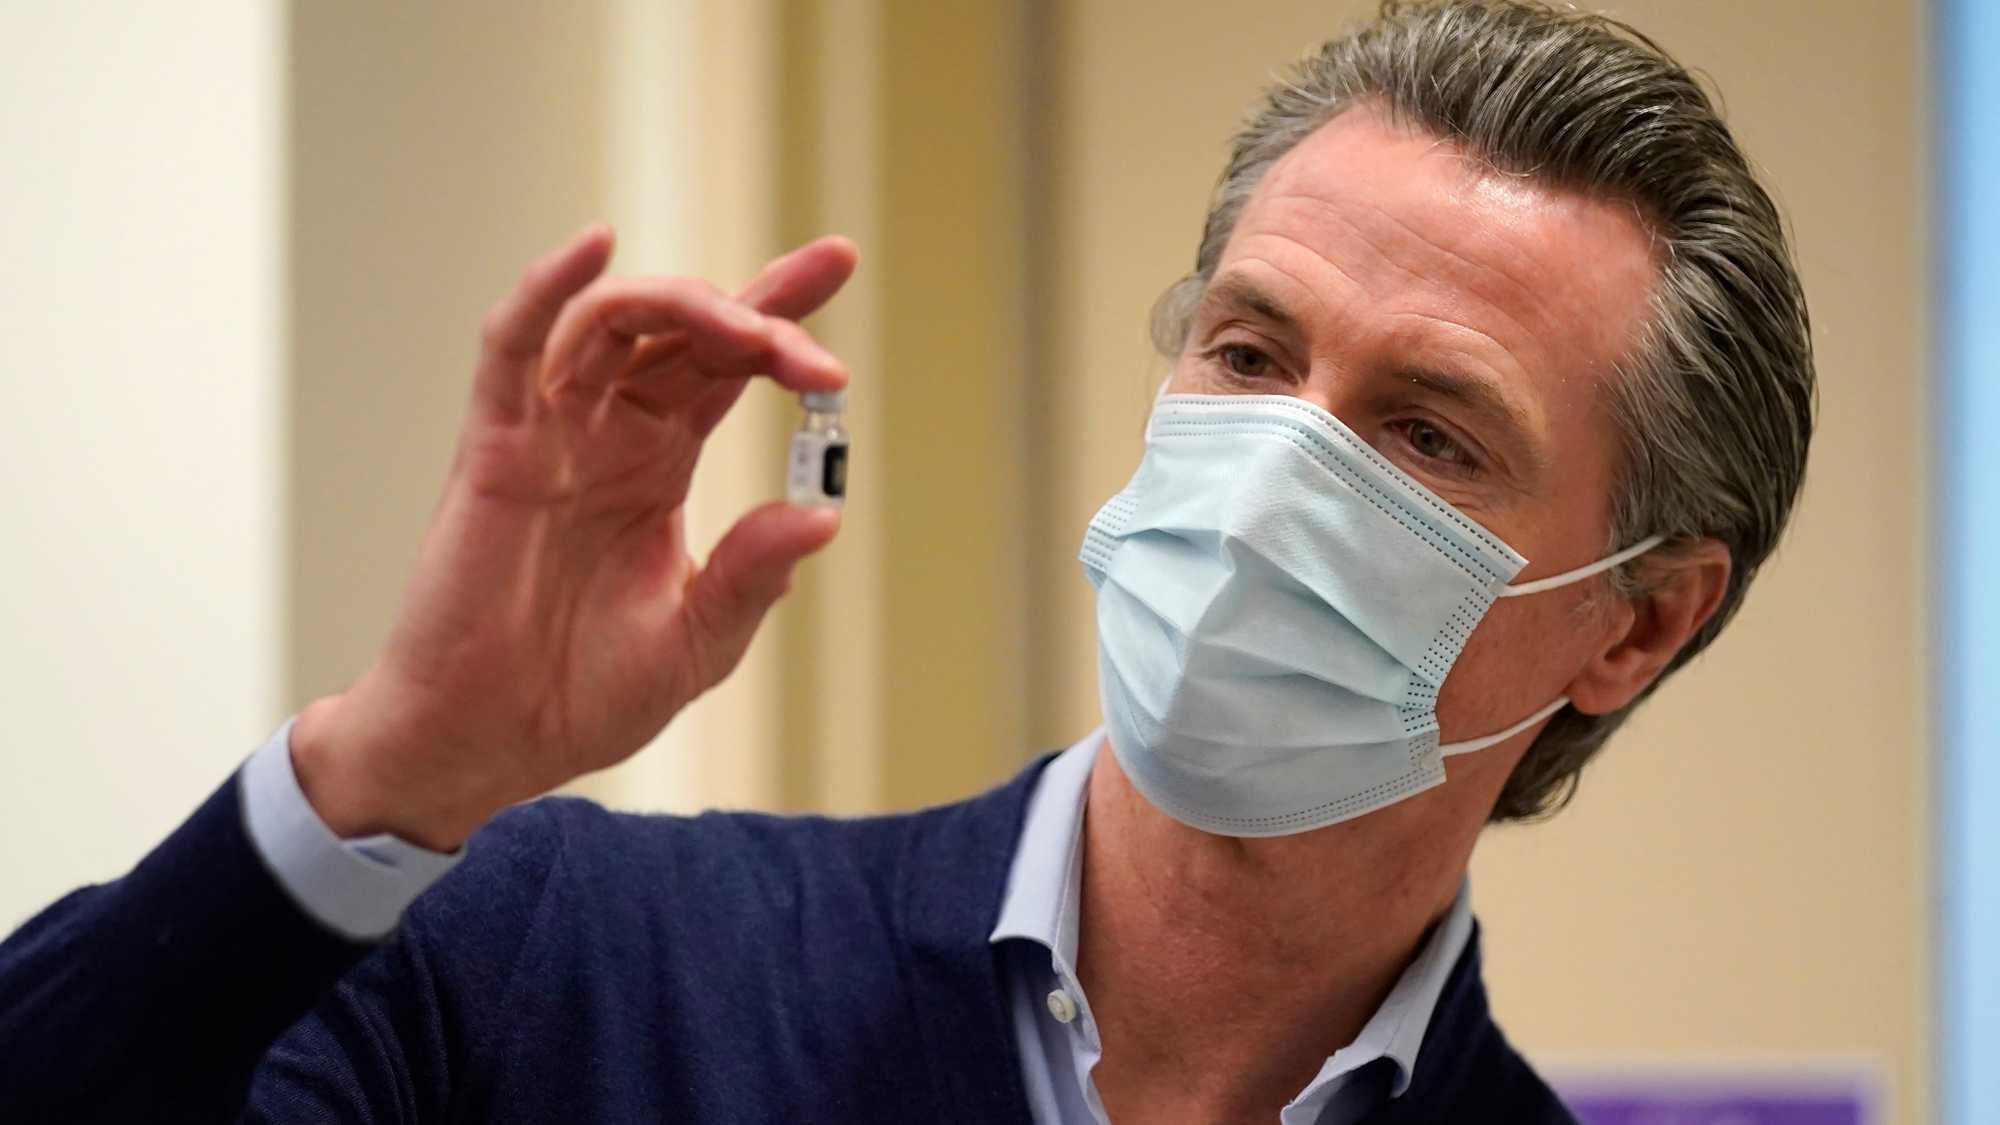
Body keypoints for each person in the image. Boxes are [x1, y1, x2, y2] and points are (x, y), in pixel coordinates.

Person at [0, 2, 1814, 1122]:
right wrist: (382, 773)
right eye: (1250, 354)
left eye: (1426, 434)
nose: (1279, 473)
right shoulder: (563, 967)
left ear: (1637, 622)